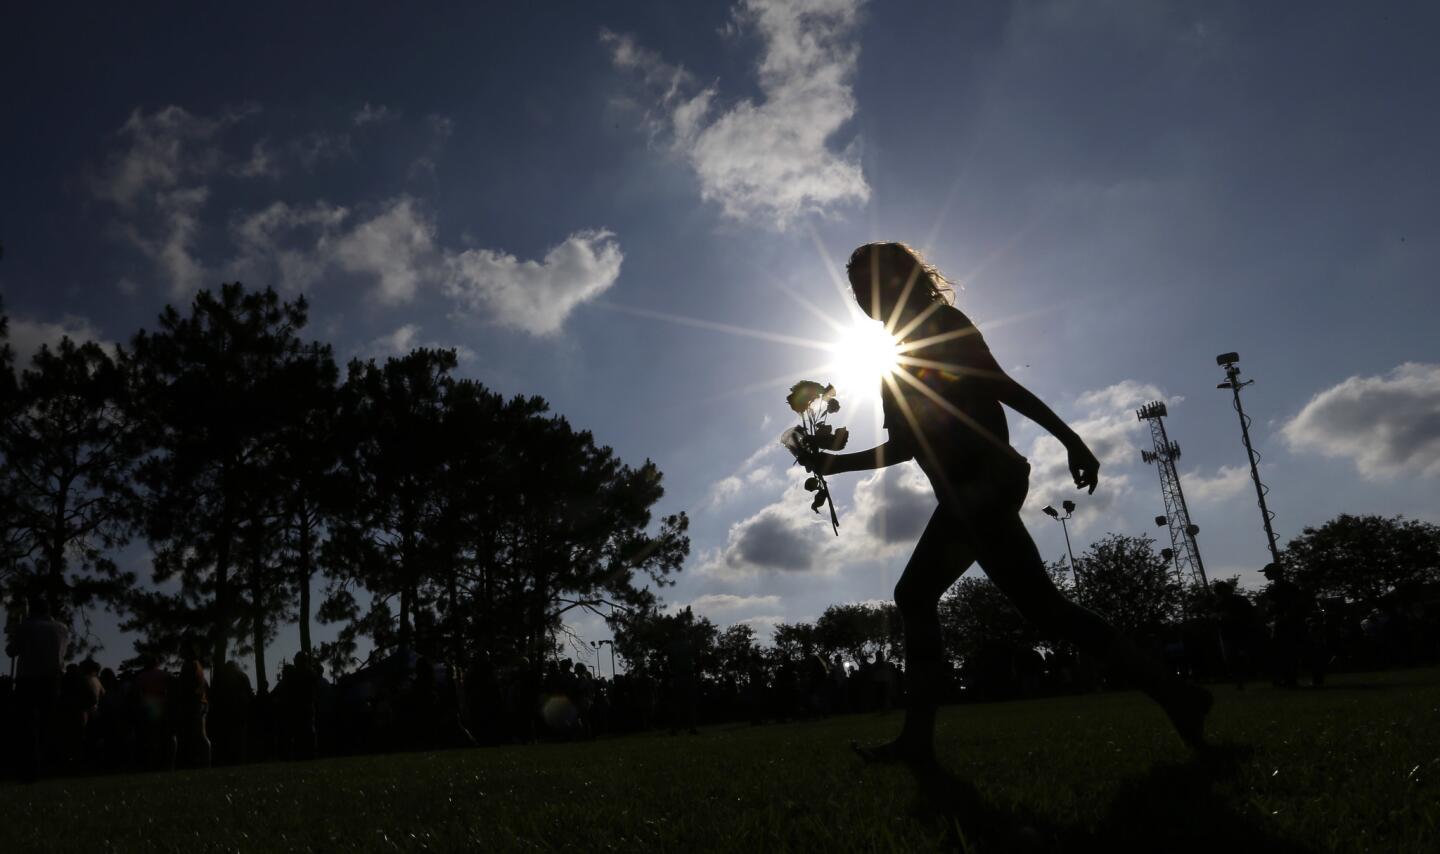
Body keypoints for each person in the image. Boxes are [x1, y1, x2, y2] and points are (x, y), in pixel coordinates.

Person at [804, 242, 1211, 765]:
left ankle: (917, 742)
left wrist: (1071, 439)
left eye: (871, 284)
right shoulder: (891, 358)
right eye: (856, 289)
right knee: (1046, 610)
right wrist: (837, 464)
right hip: (970, 491)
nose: (863, 297)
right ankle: (1179, 696)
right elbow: (906, 446)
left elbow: (1002, 387)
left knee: (915, 595)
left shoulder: (940, 324)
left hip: (983, 483)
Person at [5, 596, 70, 781]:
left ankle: (31, 768)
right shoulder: (62, 628)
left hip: (28, 680)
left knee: (28, 724)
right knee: (48, 722)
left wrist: (15, 632)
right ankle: (51, 765)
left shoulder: (26, 627)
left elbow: (11, 651)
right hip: (52, 679)